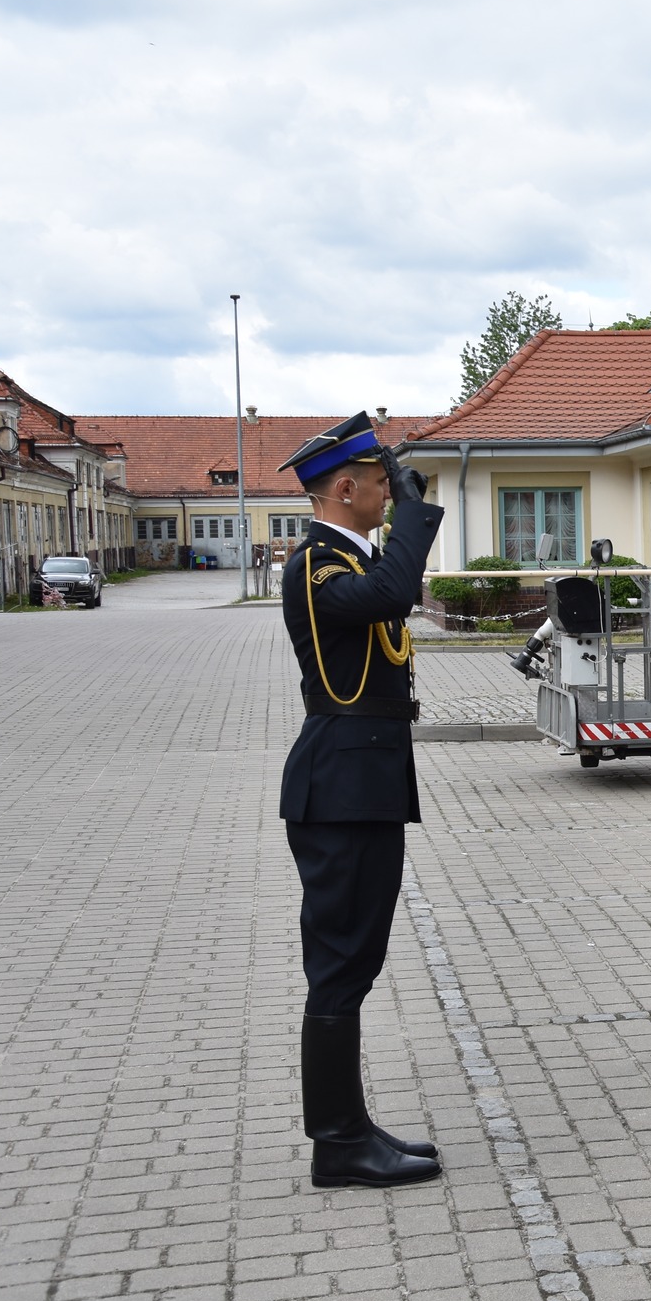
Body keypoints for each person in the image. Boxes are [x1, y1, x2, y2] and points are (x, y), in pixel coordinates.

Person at [277, 413, 444, 1189]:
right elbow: (394, 592)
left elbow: (388, 590)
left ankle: (349, 1126)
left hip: (364, 784)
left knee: (356, 958)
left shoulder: (350, 558)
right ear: (344, 488)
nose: (391, 493)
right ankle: (338, 1141)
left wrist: (402, 513)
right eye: (381, 483)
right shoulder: (317, 565)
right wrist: (414, 515)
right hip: (340, 787)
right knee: (341, 962)